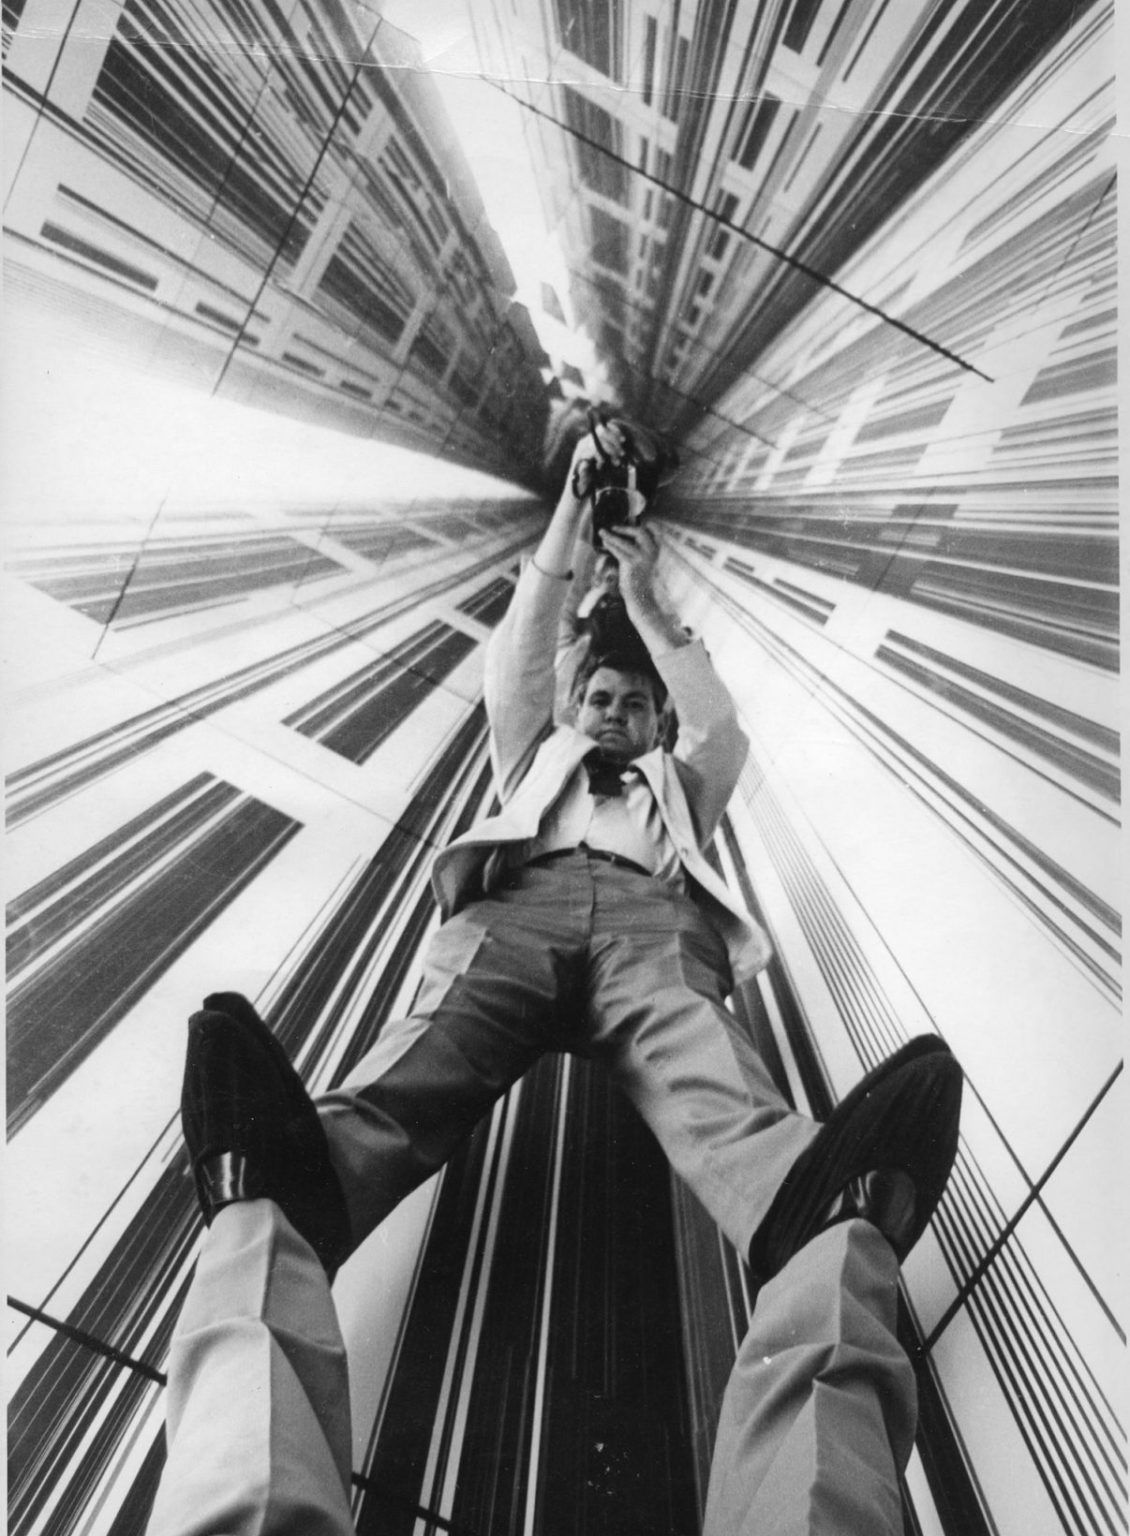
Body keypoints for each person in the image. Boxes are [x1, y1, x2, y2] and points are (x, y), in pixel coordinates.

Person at [147, 424, 963, 1536]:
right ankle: (305, 1179)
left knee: (714, 1075)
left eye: (634, 704)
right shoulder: (535, 756)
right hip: (517, 907)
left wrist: (647, 597)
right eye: (601, 699)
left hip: (649, 924)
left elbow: (716, 722)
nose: (614, 713)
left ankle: (798, 1202)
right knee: (416, 1061)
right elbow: (522, 658)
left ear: (653, 722)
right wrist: (573, 517)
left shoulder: (680, 787)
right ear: (575, 708)